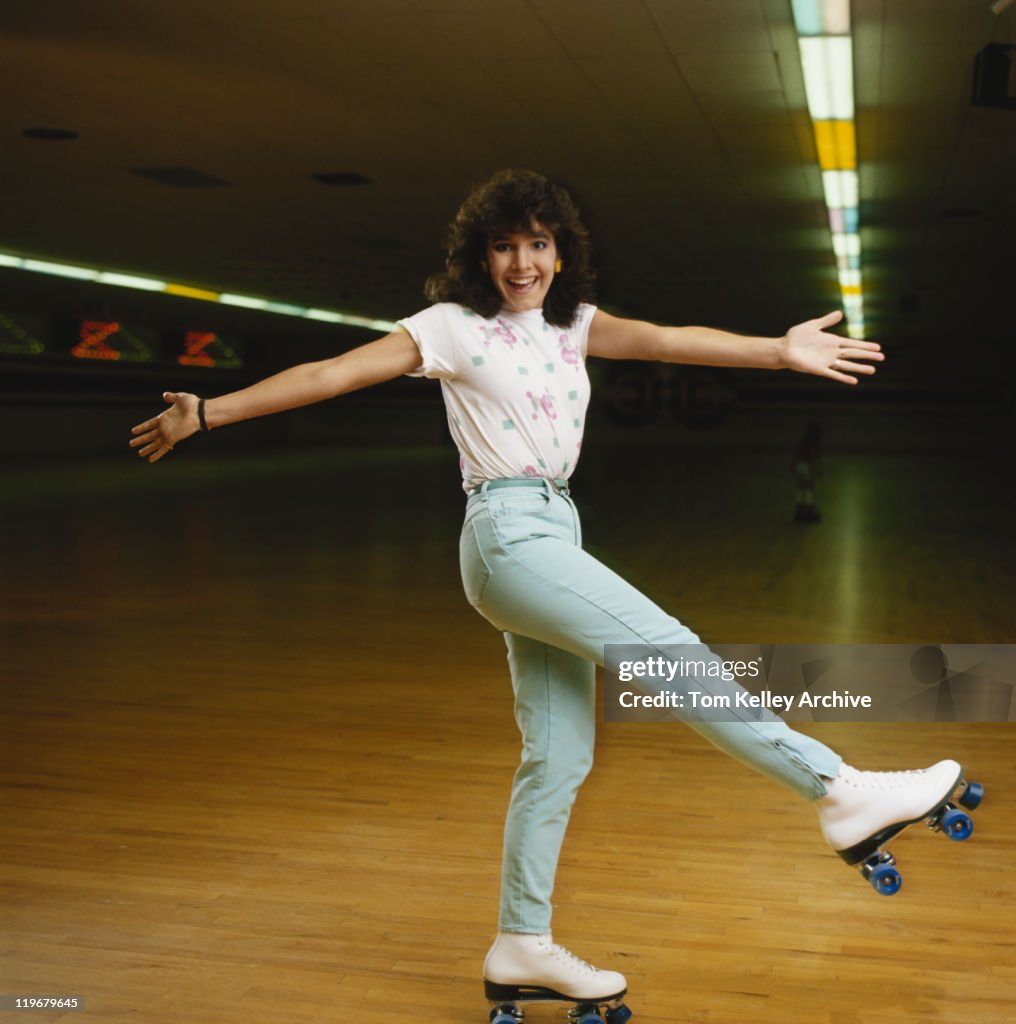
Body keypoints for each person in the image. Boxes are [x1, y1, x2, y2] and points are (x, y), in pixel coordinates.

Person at [130, 169, 971, 1016]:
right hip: (507, 535)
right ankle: (839, 790)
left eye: (538, 243)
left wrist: (778, 350)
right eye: (504, 245)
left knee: (559, 754)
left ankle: (520, 942)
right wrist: (209, 414)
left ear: (561, 253)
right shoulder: (450, 328)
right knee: (670, 652)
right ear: (480, 255)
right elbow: (335, 373)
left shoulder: (573, 325)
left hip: (550, 529)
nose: (521, 261)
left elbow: (668, 342)